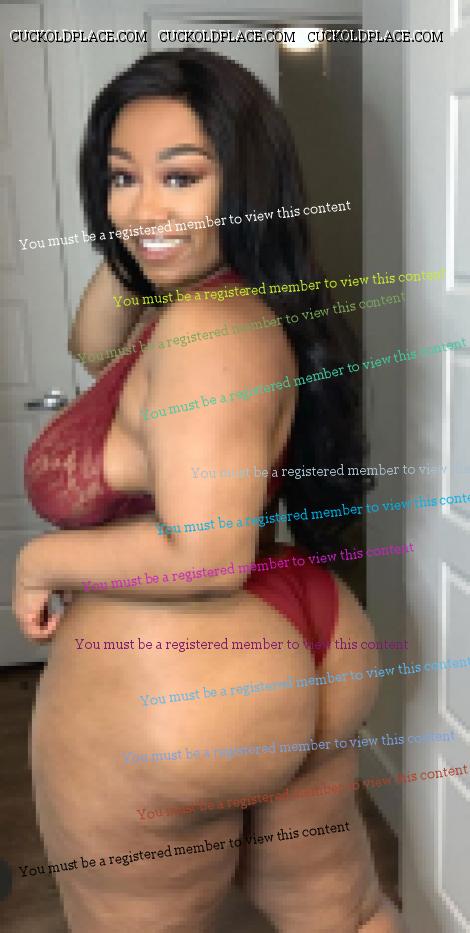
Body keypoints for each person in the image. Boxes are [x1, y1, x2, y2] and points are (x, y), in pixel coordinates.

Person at [15, 50, 400, 931]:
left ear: (247, 184)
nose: (143, 203)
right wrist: (151, 231)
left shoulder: (202, 334)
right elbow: (90, 343)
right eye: (122, 177)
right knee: (342, 913)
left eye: (181, 175)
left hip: (185, 659)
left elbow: (204, 553)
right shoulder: (228, 300)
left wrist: (42, 562)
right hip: (299, 625)